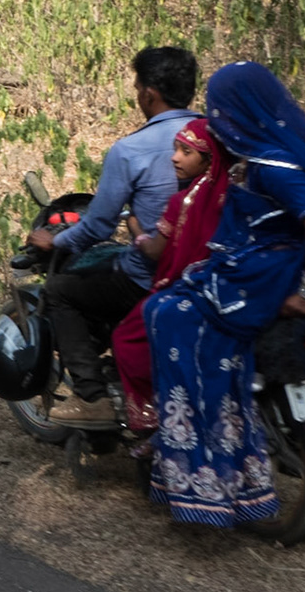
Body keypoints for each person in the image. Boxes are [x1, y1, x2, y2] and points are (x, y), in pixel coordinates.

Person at [144, 62, 305, 527]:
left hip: (267, 279)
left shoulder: (274, 165)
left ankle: (206, 466)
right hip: (266, 268)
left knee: (167, 312)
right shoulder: (295, 149)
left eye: (220, 108)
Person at [29, 46, 200, 426]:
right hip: (207, 274)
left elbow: (99, 226)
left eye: (137, 86)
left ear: (149, 94)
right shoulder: (215, 140)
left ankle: (93, 399)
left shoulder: (131, 150)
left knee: (60, 291)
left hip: (150, 277)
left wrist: (54, 241)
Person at [107, 117, 230, 431]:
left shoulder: (184, 201)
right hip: (225, 290)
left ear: (208, 159)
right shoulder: (231, 194)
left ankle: (150, 417)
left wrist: (133, 224)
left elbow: (155, 251)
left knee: (125, 338)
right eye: (176, 149)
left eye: (186, 152)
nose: (175, 157)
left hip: (185, 290)